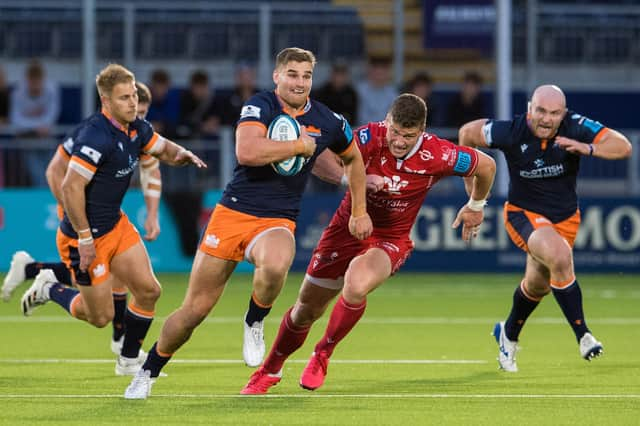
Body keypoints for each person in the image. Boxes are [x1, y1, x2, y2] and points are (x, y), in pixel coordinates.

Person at [123, 47, 373, 399]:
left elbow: (353, 160)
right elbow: (248, 152)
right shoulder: (260, 104)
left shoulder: (329, 120)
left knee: (276, 263)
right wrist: (299, 147)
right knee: (194, 311)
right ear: (277, 76)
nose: (299, 82)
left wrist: (357, 206)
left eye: (306, 75)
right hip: (232, 213)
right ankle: (148, 372)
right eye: (292, 74)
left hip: (277, 218)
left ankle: (255, 319)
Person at [240, 93, 497, 394]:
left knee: (356, 283)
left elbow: (486, 166)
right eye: (395, 132)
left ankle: (322, 353)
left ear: (422, 131)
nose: (399, 141)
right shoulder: (367, 136)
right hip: (345, 229)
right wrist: (351, 179)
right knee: (305, 310)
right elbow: (322, 155)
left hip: (390, 238)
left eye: (408, 136)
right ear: (387, 121)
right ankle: (269, 370)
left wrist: (476, 206)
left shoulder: (439, 153)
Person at [18, 64, 206, 377]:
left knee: (149, 290)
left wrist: (182, 154)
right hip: (84, 239)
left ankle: (129, 360)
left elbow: (161, 148)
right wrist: (85, 238)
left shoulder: (137, 127)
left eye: (133, 95)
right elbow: (70, 185)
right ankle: (48, 288)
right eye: (124, 98)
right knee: (99, 316)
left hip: (115, 226)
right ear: (106, 102)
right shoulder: (95, 135)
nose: (133, 103)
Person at [457, 84, 632, 372]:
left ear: (563, 113)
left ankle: (508, 334)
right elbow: (467, 133)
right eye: (540, 111)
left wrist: (588, 148)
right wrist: (473, 194)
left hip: (565, 219)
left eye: (554, 113)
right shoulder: (511, 131)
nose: (546, 119)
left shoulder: (575, 126)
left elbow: (623, 145)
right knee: (560, 257)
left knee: (538, 285)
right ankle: (584, 336)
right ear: (529, 108)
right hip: (523, 214)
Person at [2, 82, 162, 359]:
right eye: (136, 108)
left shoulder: (137, 134)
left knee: (117, 276)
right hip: (80, 218)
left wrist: (151, 213)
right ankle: (117, 339)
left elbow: (152, 171)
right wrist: (75, 216)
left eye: (144, 112)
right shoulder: (90, 134)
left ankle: (33, 272)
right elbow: (54, 171)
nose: (139, 116)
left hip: (107, 219)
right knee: (105, 286)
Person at [9, 59, 61, 186]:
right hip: (28, 140)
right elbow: (16, 120)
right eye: (32, 81)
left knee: (52, 173)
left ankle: (53, 202)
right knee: (37, 175)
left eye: (38, 81)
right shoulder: (18, 93)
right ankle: (44, 202)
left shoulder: (51, 89)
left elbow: (51, 116)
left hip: (47, 139)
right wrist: (36, 127)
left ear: (42, 79)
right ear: (27, 80)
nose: (35, 85)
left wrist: (36, 126)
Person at [355, 56, 398, 126]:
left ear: (387, 74)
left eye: (382, 74)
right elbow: (361, 117)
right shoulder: (360, 90)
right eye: (377, 73)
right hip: (362, 130)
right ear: (370, 72)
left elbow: (392, 118)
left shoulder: (393, 93)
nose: (379, 77)